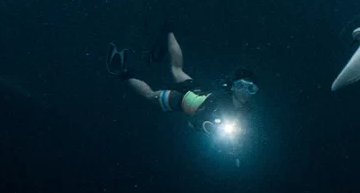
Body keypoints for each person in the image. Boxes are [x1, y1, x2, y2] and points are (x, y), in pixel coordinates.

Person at [106, 21, 258, 135]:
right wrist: (206, 126)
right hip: (180, 99)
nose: (244, 91)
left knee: (176, 68)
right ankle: (122, 72)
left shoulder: (246, 109)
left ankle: (169, 31)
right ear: (233, 86)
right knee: (150, 95)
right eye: (240, 86)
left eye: (250, 88)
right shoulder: (219, 101)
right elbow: (193, 123)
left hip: (196, 90)